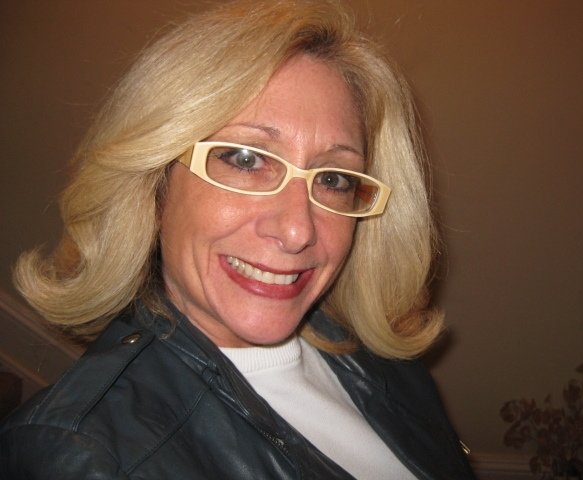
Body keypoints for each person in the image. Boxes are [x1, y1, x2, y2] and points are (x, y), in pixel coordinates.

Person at [0, 1, 475, 478]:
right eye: (246, 160)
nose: (297, 231)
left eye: (333, 179)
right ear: (154, 184)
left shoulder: (373, 353)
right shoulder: (81, 455)